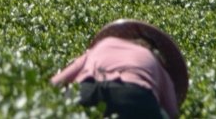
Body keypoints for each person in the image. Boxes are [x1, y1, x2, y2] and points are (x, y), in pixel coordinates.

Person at [51, 19, 189, 119]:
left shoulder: (104, 45)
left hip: (87, 90)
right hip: (135, 98)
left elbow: (56, 82)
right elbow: (172, 111)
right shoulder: (156, 62)